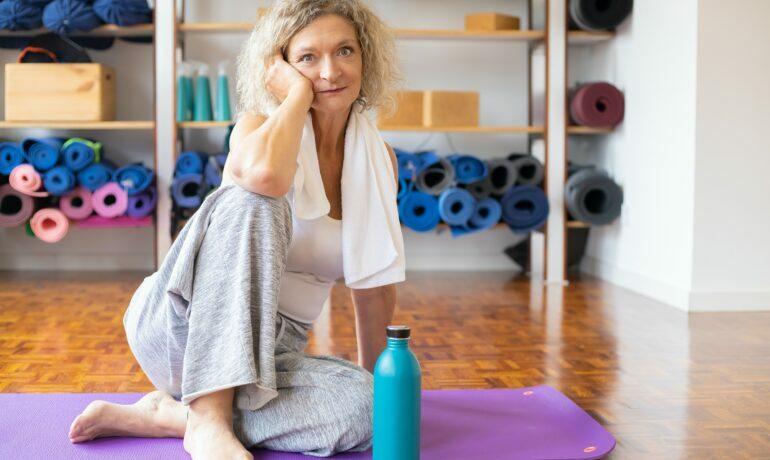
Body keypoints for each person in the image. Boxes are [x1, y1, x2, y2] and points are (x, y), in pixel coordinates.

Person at [67, 1, 405, 458]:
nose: (330, 71)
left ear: (365, 57)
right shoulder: (257, 128)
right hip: (183, 322)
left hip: (270, 355)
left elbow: (375, 288)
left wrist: (380, 385)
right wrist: (295, 99)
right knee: (258, 200)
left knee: (364, 410)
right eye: (307, 58)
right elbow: (265, 180)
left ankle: (171, 416)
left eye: (345, 51)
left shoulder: (379, 161)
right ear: (279, 67)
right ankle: (207, 418)